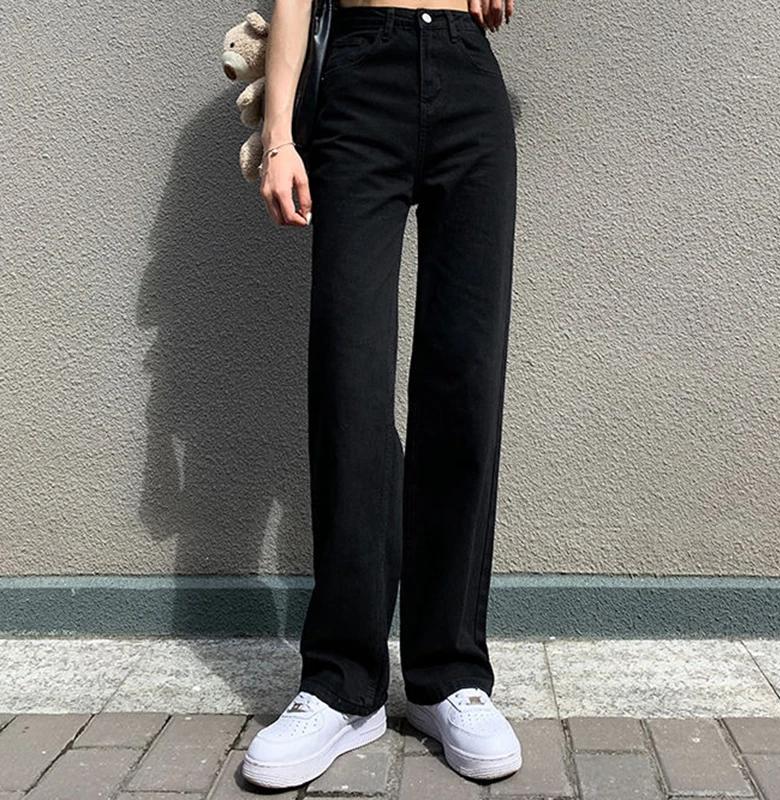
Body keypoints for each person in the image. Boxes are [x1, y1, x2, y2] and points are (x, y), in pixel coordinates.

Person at [243, 0, 520, 789]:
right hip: (359, 84)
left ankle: (448, 676)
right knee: (349, 384)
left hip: (468, 77)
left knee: (464, 381)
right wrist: (279, 136)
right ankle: (342, 684)